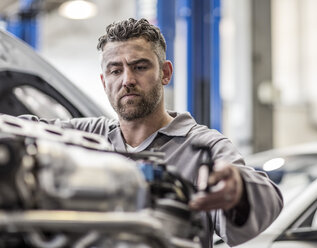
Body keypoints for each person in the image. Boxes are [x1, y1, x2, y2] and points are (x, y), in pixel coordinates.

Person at [22, 18, 283, 247]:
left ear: (165, 73)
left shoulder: (202, 145)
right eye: (115, 70)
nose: (127, 80)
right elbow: (20, 129)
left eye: (140, 67)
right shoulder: (84, 137)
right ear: (104, 81)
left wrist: (238, 190)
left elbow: (264, 202)